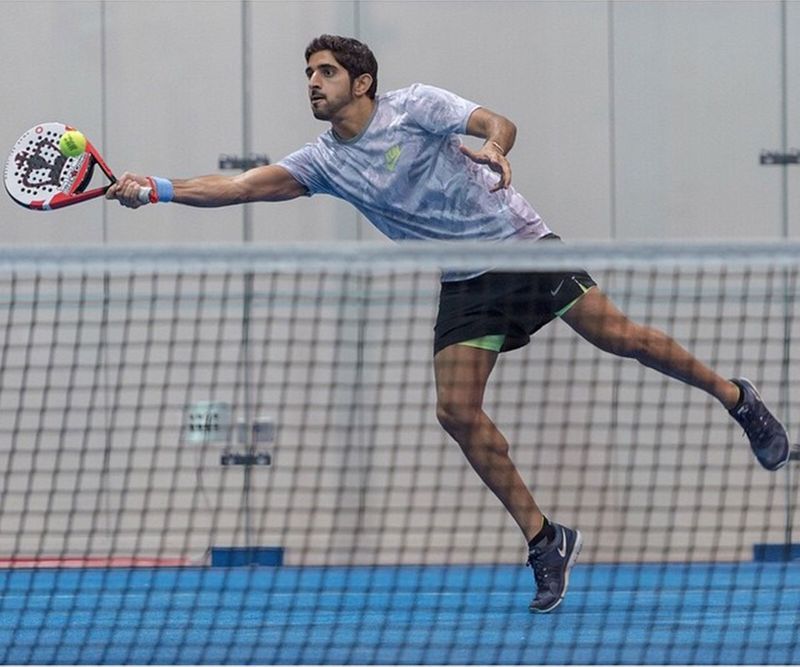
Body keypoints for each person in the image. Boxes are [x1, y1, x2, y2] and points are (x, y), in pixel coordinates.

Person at [107, 34, 791, 613]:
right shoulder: (324, 161)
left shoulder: (414, 107)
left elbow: (497, 122)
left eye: (326, 72)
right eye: (309, 73)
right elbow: (240, 186)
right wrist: (157, 189)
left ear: (361, 82)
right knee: (456, 410)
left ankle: (737, 398)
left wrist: (493, 146)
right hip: (465, 281)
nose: (312, 83)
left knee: (622, 337)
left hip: (519, 246)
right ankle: (545, 538)